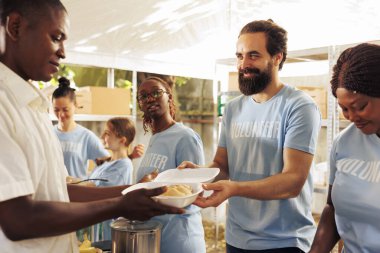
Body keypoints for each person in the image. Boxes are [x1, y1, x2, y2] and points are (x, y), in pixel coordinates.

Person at [0, 1, 182, 252]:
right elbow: (18, 219)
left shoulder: (33, 106)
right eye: (56, 38)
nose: (63, 51)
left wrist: (136, 190)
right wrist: (119, 206)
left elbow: (59, 192)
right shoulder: (4, 105)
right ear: (15, 27)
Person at [179, 19, 321, 253]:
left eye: (253, 55)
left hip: (284, 242)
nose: (243, 64)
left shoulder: (299, 106)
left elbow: (292, 182)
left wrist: (234, 189)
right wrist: (198, 175)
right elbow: (222, 166)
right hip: (237, 238)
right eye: (239, 56)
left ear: (277, 58)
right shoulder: (234, 108)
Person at [309, 43, 380, 253]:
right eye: (344, 109)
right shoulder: (344, 142)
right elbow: (332, 207)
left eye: (360, 106)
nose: (351, 117)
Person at [136, 76, 207, 253]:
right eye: (143, 96)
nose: (150, 98)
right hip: (157, 239)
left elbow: (196, 191)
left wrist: (151, 187)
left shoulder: (185, 137)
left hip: (180, 239)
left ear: (169, 96)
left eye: (156, 92)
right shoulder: (154, 138)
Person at [52, 77, 144, 179]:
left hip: (76, 192)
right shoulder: (48, 133)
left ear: (75, 106)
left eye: (65, 109)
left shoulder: (86, 136)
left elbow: (109, 163)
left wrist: (130, 156)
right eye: (56, 109)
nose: (61, 114)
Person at [90, 117, 136, 241]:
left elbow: (98, 191)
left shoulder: (124, 165)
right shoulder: (106, 164)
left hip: (108, 235)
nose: (102, 136)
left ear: (122, 140)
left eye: (108, 134)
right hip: (97, 231)